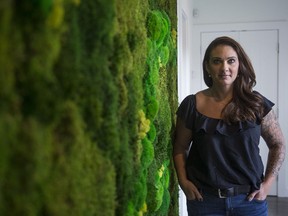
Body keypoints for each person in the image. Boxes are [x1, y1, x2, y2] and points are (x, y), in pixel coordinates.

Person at [173, 36, 286, 216]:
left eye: (230, 61)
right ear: (208, 67)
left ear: (239, 65)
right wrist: (183, 182)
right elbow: (180, 147)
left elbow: (278, 144)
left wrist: (268, 184)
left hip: (250, 202)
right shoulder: (191, 105)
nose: (224, 68)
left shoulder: (257, 104)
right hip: (204, 202)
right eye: (217, 61)